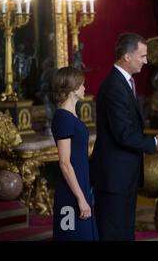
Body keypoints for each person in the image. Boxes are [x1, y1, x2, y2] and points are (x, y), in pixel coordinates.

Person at [90, 33, 158, 241]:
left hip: (124, 175)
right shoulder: (114, 86)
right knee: (113, 233)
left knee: (124, 233)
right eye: (142, 56)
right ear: (127, 56)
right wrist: (154, 143)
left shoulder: (124, 82)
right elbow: (124, 134)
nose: (146, 61)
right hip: (113, 177)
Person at [51, 66, 98, 241]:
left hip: (80, 187)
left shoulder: (71, 115)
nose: (85, 88)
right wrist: (80, 198)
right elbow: (64, 162)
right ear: (73, 88)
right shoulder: (63, 117)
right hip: (71, 193)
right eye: (82, 85)